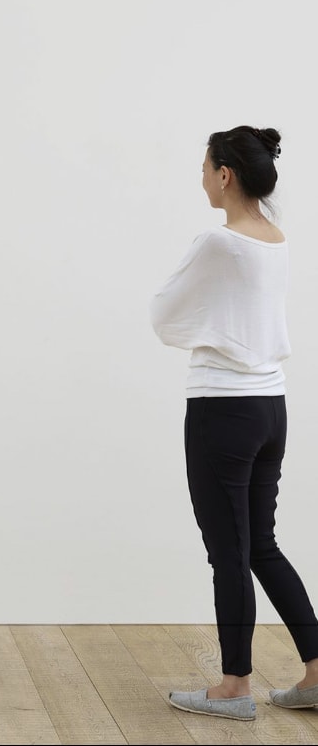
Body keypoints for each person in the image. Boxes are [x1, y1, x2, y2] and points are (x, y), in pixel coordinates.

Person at [150, 125, 318, 721]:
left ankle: (234, 687)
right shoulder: (277, 239)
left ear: (226, 174)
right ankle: (317, 672)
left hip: (221, 409)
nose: (201, 177)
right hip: (272, 407)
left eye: (205, 168)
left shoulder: (217, 243)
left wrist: (207, 334)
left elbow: (163, 314)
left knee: (229, 552)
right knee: (262, 545)